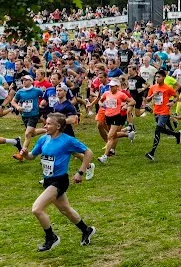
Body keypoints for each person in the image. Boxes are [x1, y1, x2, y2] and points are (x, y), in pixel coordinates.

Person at [19, 113, 96, 251]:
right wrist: (25, 154)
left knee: (37, 209)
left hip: (60, 180)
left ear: (58, 126)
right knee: (65, 210)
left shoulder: (67, 140)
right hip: (48, 180)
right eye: (45, 123)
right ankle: (86, 230)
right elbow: (31, 156)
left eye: (49, 124)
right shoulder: (43, 139)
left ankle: (51, 238)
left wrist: (80, 172)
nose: (45, 126)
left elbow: (88, 153)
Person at [145, 70, 181, 161]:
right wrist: (152, 95)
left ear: (164, 78)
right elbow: (147, 100)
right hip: (156, 111)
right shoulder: (153, 87)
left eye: (159, 77)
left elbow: (177, 96)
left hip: (164, 112)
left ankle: (152, 152)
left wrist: (172, 102)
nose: (157, 78)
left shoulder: (167, 88)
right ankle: (176, 134)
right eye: (156, 77)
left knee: (157, 129)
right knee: (161, 129)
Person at [97, 79, 134, 164]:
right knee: (113, 135)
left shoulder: (121, 94)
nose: (110, 87)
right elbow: (100, 100)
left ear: (117, 87)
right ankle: (129, 134)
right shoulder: (106, 93)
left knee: (110, 136)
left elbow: (132, 101)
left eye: (112, 86)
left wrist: (126, 105)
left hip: (116, 117)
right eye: (110, 86)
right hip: (108, 116)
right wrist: (100, 104)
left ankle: (105, 156)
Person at [10, 75, 45, 161]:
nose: (24, 81)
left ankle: (21, 153)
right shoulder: (20, 92)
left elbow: (45, 96)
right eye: (23, 80)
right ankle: (46, 130)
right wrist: (17, 106)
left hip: (34, 115)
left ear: (31, 81)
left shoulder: (37, 91)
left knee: (27, 134)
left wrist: (42, 104)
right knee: (31, 133)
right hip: (25, 115)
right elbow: (13, 101)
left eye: (26, 80)